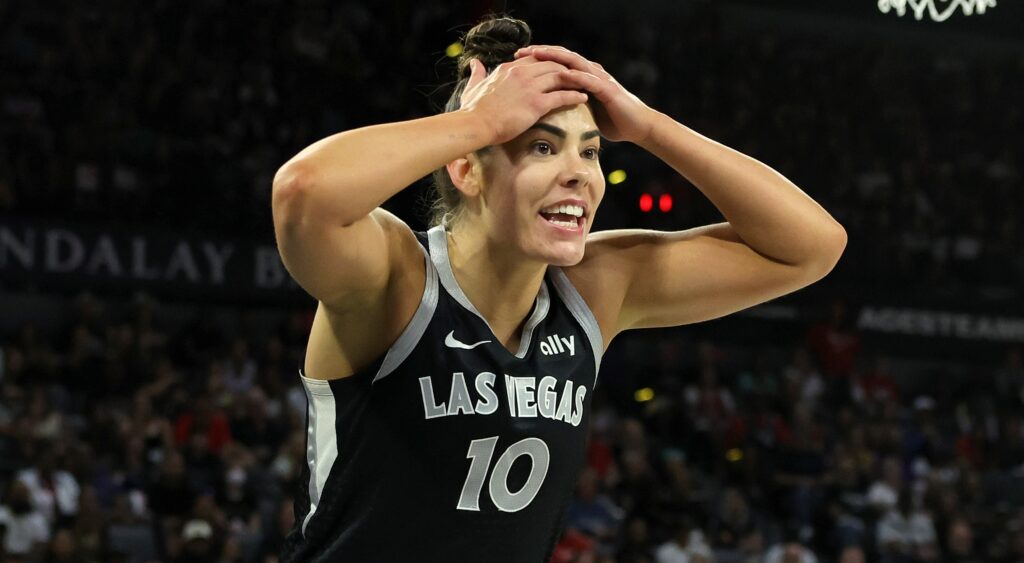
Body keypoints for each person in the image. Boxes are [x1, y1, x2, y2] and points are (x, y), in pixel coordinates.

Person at [271, 14, 846, 562]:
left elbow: (814, 247)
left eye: (590, 150)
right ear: (467, 169)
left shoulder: (593, 290)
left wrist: (646, 125)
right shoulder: (397, 279)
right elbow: (303, 193)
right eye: (543, 147)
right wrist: (481, 124)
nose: (580, 173)